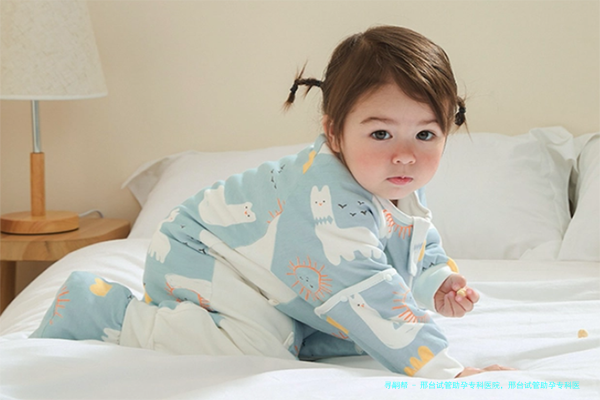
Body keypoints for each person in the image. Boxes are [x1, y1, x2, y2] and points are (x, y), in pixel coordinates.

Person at [31, 25, 509, 379]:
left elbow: (412, 240)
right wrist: (448, 371)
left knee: (330, 338)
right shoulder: (329, 203)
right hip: (202, 254)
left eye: (425, 134)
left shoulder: (394, 179)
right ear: (334, 133)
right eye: (381, 133)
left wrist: (434, 280)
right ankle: (104, 311)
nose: (405, 153)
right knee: (261, 349)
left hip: (270, 274)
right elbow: (369, 293)